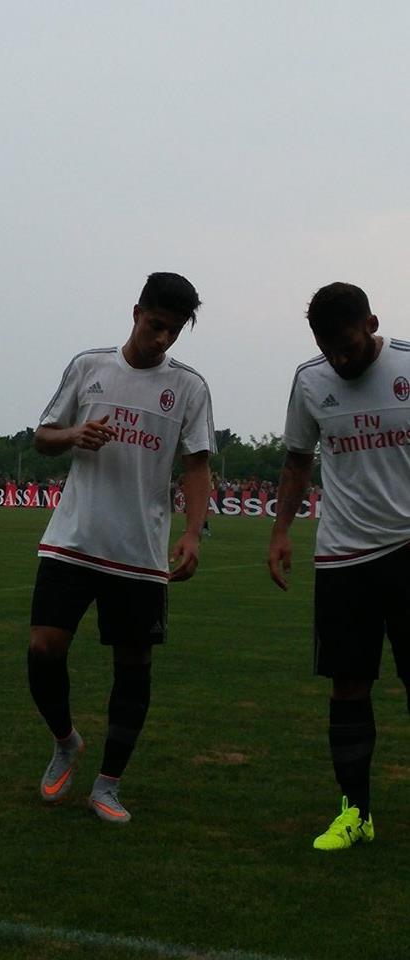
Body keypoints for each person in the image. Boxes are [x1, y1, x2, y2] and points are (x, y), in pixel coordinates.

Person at [28, 272, 216, 823]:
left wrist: (192, 532)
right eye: (156, 325)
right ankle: (65, 740)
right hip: (73, 540)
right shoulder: (89, 366)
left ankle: (108, 786)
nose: (162, 339)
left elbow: (197, 465)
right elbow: (43, 436)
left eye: (173, 331)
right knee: (43, 648)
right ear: (136, 313)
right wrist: (74, 434)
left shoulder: (189, 387)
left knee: (133, 667)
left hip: (139, 555)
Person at [268, 281, 410, 852]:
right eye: (328, 349)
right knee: (347, 686)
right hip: (343, 557)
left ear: (372, 324)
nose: (340, 360)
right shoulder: (310, 379)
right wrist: (280, 531)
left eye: (348, 346)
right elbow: (297, 460)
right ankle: (355, 813)